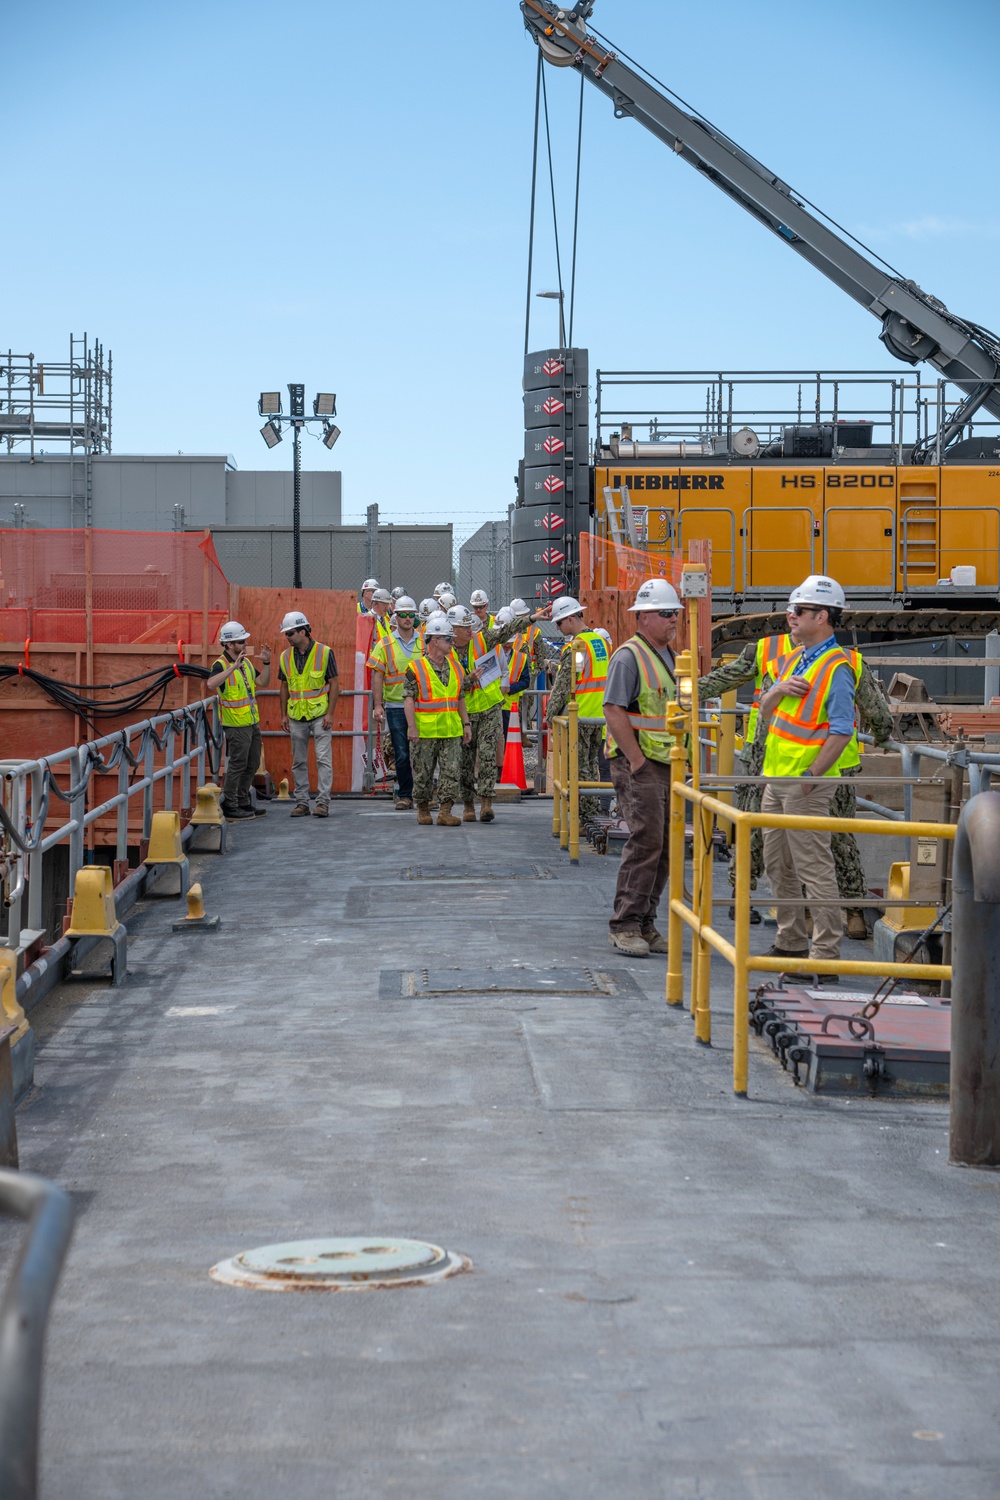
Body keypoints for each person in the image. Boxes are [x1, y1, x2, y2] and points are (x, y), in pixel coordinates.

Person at [698, 631, 892, 936]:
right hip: (829, 767)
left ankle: (744, 899)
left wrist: (680, 695)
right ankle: (853, 911)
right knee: (835, 839)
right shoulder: (849, 661)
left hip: (772, 762)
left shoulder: (768, 650)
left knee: (755, 832)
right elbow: (877, 713)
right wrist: (883, 734)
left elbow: (721, 680)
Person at [758, 574, 856, 982]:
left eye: (798, 611)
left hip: (805, 783)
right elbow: (764, 713)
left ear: (822, 616)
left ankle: (825, 955)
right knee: (778, 865)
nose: (790, 616)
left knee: (814, 867)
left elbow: (841, 730)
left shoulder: (836, 667)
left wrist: (812, 775)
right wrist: (777, 690)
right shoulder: (795, 660)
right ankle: (791, 941)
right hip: (776, 779)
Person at [602, 578, 682, 957]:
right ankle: (626, 923)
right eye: (667, 614)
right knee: (645, 841)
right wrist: (636, 760)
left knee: (663, 844)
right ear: (645, 617)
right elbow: (613, 709)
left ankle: (645, 921)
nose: (675, 620)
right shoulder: (628, 656)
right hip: (641, 763)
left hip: (663, 761)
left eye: (676, 613)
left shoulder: (666, 654)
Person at [448, 602, 547, 823]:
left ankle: (486, 803)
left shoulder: (482, 639)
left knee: (487, 757)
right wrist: (468, 680)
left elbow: (507, 630)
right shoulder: (445, 653)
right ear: (452, 630)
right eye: (464, 628)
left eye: (469, 626)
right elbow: (448, 685)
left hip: (490, 707)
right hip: (464, 713)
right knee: (465, 761)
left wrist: (532, 619)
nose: (469, 630)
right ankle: (467, 804)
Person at [403, 612, 472, 826]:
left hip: (451, 731)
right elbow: (408, 699)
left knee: (451, 772)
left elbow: (460, 697)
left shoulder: (457, 667)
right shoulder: (416, 668)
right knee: (423, 773)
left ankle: (445, 811)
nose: (452, 643)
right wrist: (411, 728)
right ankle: (423, 808)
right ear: (435, 641)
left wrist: (466, 723)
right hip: (425, 732)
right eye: (448, 639)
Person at [546, 596, 610, 822]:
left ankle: (583, 817)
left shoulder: (577, 647)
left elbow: (563, 685)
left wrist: (549, 716)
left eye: (559, 622)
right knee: (592, 768)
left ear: (571, 619)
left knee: (578, 769)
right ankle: (590, 814)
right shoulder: (601, 642)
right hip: (600, 717)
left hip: (579, 716)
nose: (557, 627)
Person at [278, 610, 340, 819]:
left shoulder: (324, 652)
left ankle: (322, 802)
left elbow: (334, 684)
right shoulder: (285, 657)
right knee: (299, 761)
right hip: (296, 716)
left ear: (303, 631)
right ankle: (302, 802)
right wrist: (284, 715)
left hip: (320, 715)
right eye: (286, 633)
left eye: (291, 633)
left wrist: (330, 714)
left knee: (323, 759)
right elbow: (284, 686)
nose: (287, 637)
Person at [207, 620, 271, 822]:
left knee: (251, 763)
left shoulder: (247, 662)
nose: (244, 644)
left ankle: (243, 801)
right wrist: (233, 667)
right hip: (235, 724)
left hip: (251, 722)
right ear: (228, 644)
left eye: (244, 640)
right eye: (240, 641)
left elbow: (263, 682)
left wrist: (267, 663)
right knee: (237, 764)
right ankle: (230, 804)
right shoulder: (221, 664)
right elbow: (211, 684)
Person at [369, 595, 421, 810]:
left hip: (422, 706)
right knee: (401, 753)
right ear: (396, 616)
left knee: (423, 752)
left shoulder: (424, 641)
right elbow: (377, 675)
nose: (407, 618)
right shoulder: (385, 644)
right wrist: (378, 705)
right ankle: (406, 795)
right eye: (403, 614)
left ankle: (424, 794)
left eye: (411, 614)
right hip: (396, 707)